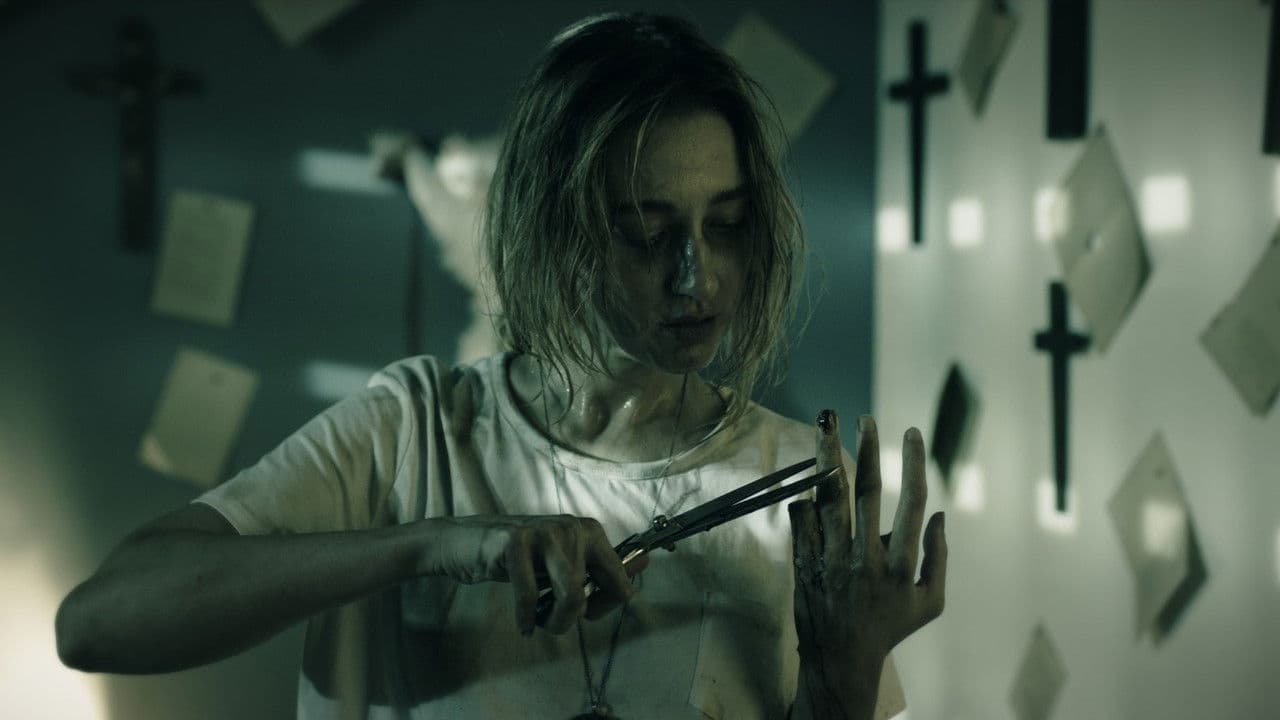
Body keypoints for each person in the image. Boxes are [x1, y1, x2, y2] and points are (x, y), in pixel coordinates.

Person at [55, 13, 946, 720]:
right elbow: (97, 624)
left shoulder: (792, 487)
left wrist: (842, 679)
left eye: (727, 225)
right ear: (553, 231)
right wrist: (437, 544)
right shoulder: (412, 431)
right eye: (647, 231)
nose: (698, 276)